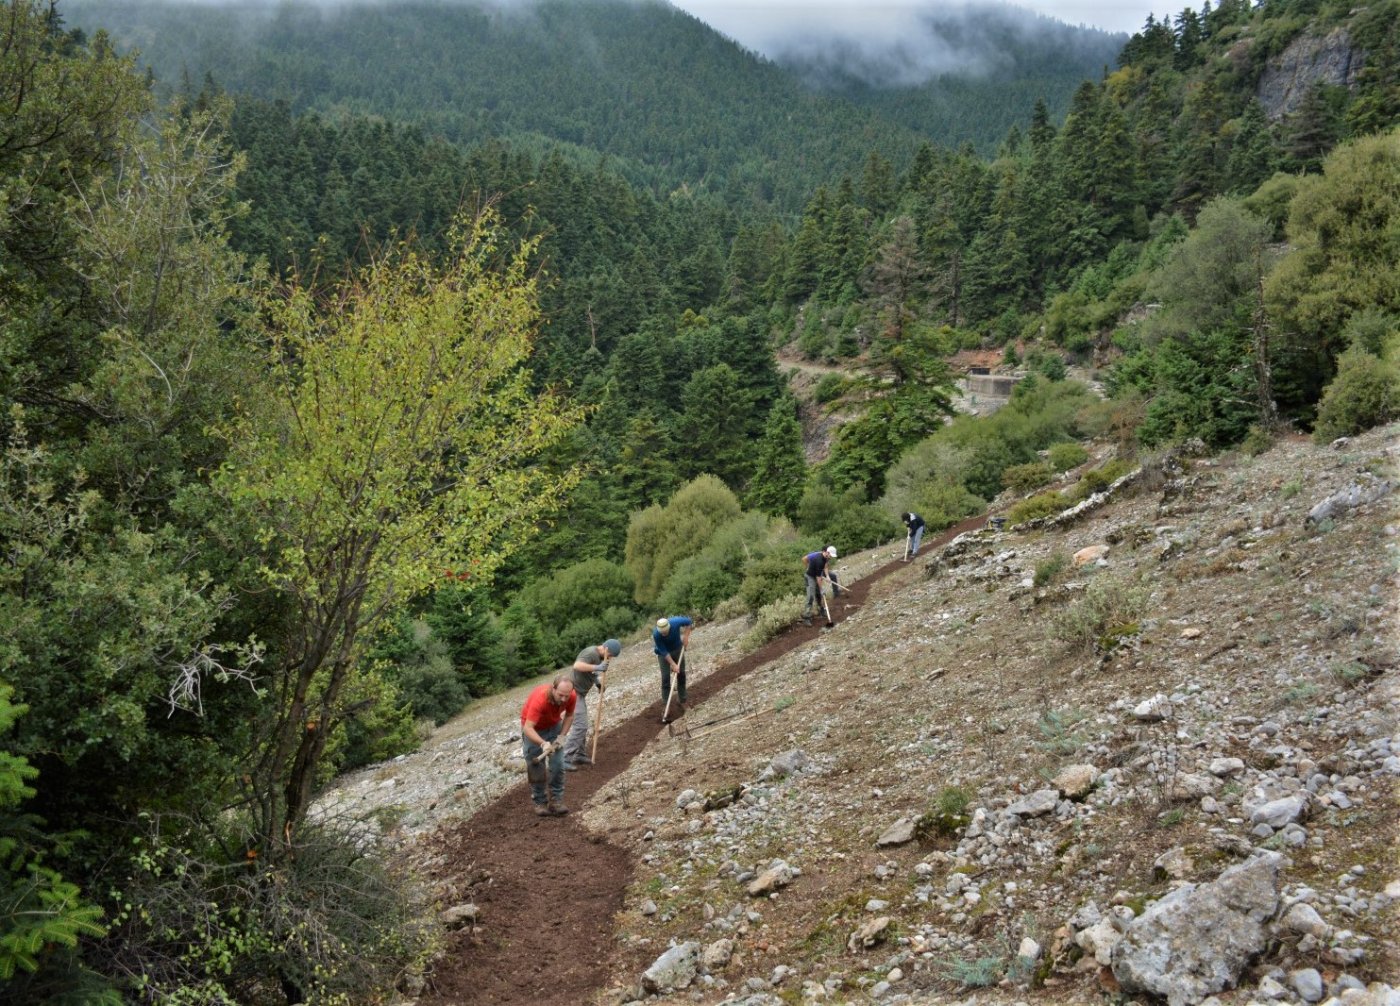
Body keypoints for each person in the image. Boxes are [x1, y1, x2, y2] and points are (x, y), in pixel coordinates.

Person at [520, 674, 576, 816]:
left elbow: (569, 716)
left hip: (554, 726)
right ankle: (540, 802)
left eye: (566, 696)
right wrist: (543, 743)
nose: (563, 699)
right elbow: (528, 728)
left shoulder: (572, 696)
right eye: (560, 695)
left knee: (558, 764)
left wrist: (562, 737)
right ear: (553, 689)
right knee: (536, 767)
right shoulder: (541, 699)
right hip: (534, 730)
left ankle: (556, 801)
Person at [563, 638, 621, 770]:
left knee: (582, 725)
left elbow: (591, 672)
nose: (610, 658)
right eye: (610, 655)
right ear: (606, 649)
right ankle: (564, 758)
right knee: (581, 726)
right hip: (573, 693)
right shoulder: (591, 653)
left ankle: (579, 755)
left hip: (580, 694)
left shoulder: (598, 657)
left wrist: (598, 683)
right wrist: (598, 667)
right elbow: (577, 665)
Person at [652, 615, 692, 722]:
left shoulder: (675, 622)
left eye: (666, 632)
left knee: (681, 674)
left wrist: (686, 637)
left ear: (669, 627)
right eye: (662, 633)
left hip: (678, 649)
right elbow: (663, 651)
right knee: (665, 679)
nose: (664, 634)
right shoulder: (656, 634)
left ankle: (682, 700)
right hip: (663, 655)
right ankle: (666, 706)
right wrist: (673, 665)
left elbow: (689, 622)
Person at [802, 545, 840, 625]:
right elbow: (818, 578)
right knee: (811, 596)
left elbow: (825, 567)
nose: (831, 557)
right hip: (810, 577)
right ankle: (806, 617)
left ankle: (821, 610)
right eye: (830, 555)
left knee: (818, 595)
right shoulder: (819, 560)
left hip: (816, 575)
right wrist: (822, 589)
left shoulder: (826, 557)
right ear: (827, 552)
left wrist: (828, 577)